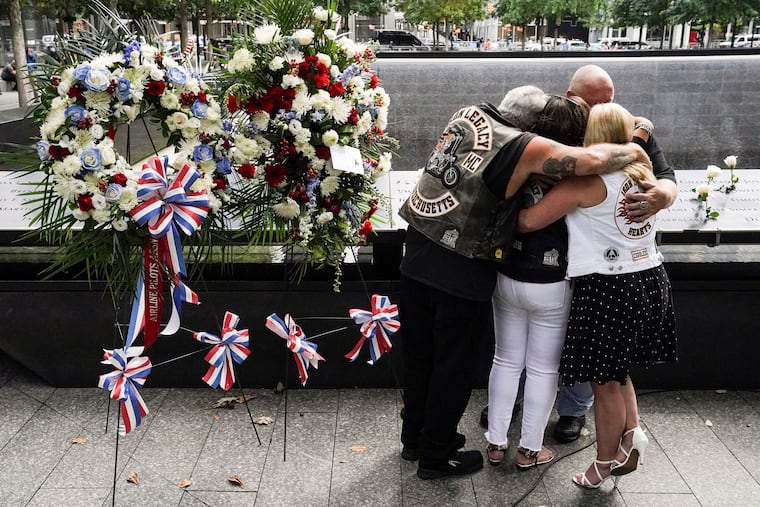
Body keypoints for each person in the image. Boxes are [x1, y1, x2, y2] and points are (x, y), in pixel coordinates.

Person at [397, 85, 651, 480]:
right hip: (460, 270)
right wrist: (635, 149)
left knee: (419, 356)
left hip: (416, 251)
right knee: (453, 364)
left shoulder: (470, 113)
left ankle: (413, 439)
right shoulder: (526, 147)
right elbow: (590, 160)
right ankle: (436, 455)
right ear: (531, 128)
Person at [517, 102, 678, 488]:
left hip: (608, 287)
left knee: (603, 383)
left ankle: (602, 465)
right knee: (618, 371)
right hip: (650, 278)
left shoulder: (584, 184)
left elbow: (528, 221)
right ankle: (632, 435)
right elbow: (643, 136)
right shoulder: (644, 173)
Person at [553, 64, 678, 443]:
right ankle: (528, 403)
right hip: (564, 256)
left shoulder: (623, 128)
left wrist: (662, 196)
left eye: (610, 100)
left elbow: (667, 176)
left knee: (599, 358)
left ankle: (574, 412)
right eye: (596, 102)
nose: (605, 107)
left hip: (606, 268)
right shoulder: (556, 124)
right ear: (572, 98)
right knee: (557, 341)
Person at [484, 95, 590, 469]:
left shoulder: (520, 155)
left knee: (505, 359)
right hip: (551, 280)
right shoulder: (579, 172)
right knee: (544, 367)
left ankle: (496, 444)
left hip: (508, 273)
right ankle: (530, 449)